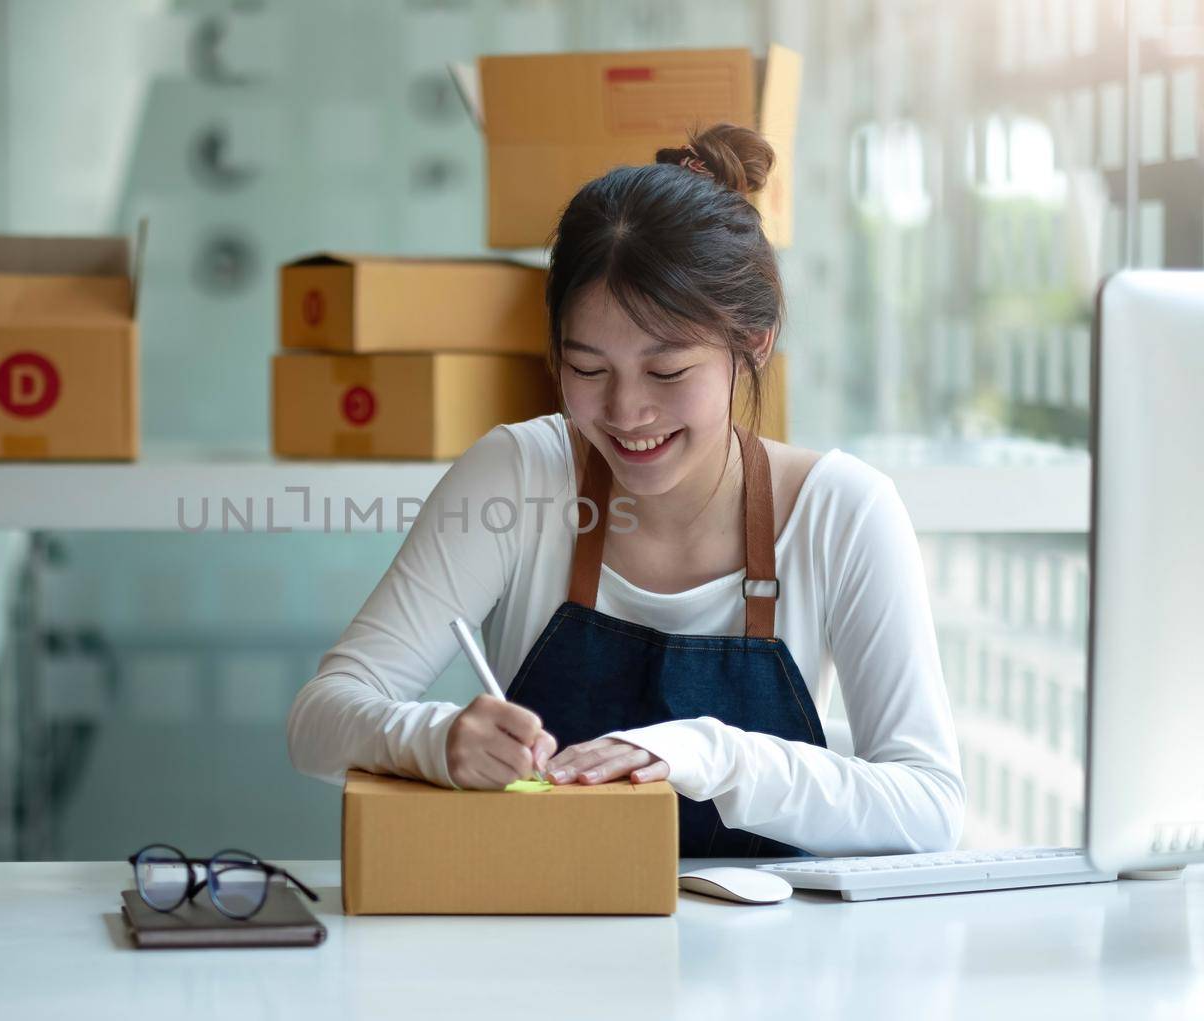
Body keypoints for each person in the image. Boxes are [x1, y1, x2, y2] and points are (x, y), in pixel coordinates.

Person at [286, 123, 965, 857]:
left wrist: (713, 755)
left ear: (754, 342)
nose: (626, 413)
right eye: (587, 368)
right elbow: (318, 719)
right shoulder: (520, 475)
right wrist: (437, 738)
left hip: (772, 963)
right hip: (547, 941)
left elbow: (928, 805)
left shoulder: (843, 512)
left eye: (667, 372)